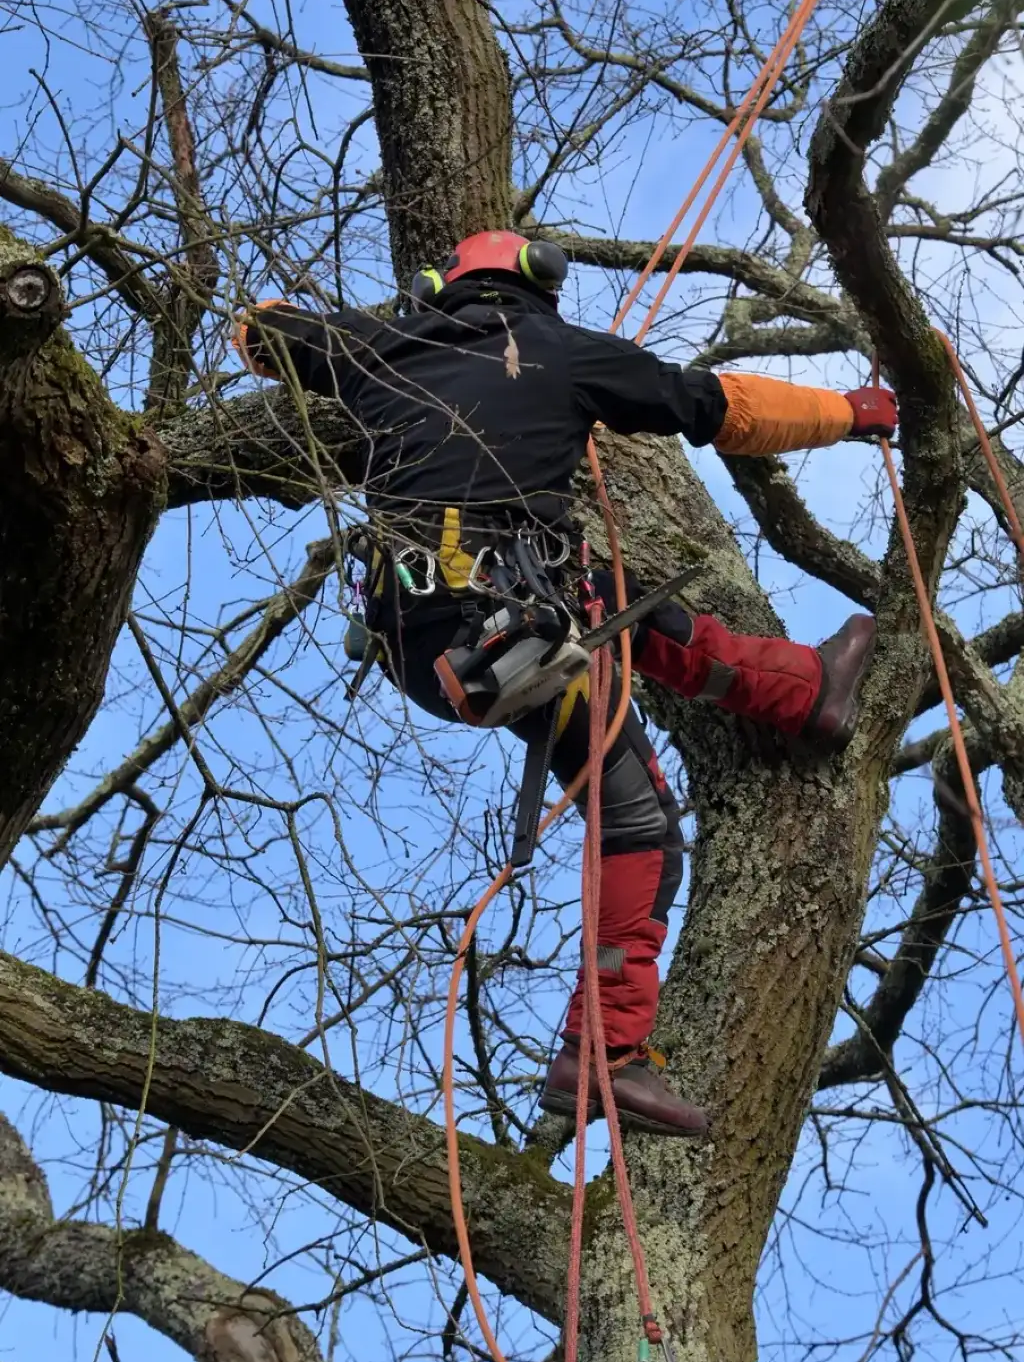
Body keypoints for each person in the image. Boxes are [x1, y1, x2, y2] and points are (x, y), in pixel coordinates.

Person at [234, 229, 896, 1138]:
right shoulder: (558, 348)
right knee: (640, 828)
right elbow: (723, 405)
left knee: (623, 611)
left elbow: (259, 329)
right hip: (503, 634)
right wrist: (854, 412)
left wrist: (357, 334)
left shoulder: (377, 351)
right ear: (536, 286)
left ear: (439, 287)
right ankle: (604, 1054)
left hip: (440, 638)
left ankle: (802, 693)